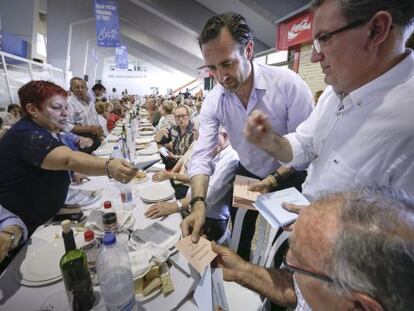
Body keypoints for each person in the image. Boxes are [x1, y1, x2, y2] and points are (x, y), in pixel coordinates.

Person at [244, 0, 414, 201]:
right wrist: (269, 141)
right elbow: (305, 144)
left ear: (376, 30)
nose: (315, 57)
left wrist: (329, 224)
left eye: (324, 38)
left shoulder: (406, 125)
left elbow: (399, 229)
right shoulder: (335, 92)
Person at [181, 12, 313, 257]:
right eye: (212, 68)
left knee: (288, 244)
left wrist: (274, 178)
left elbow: (307, 151)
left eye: (227, 63)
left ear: (249, 50)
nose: (221, 77)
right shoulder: (215, 99)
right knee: (240, 231)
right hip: (250, 171)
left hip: (290, 174)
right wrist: (198, 203)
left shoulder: (288, 85)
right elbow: (201, 156)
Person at [212, 189, 414, 311]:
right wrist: (241, 271)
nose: (287, 265)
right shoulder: (338, 295)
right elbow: (299, 293)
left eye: (296, 267)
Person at [0, 80, 137, 235]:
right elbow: (68, 159)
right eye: (57, 108)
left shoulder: (47, 129)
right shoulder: (27, 135)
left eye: (66, 107)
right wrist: (110, 166)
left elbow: (48, 164)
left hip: (47, 217)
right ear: (32, 109)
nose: (65, 113)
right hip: (24, 228)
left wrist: (72, 173)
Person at [146, 129, 239, 241]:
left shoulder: (232, 158)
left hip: (210, 221)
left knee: (167, 236)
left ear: (225, 137)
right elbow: (194, 175)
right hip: (193, 208)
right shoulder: (214, 150)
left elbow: (209, 194)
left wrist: (177, 205)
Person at [65, 77, 104, 153]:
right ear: (71, 89)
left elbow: (94, 118)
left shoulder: (90, 101)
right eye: (76, 87)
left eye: (83, 87)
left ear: (86, 88)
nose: (80, 89)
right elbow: (67, 126)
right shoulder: (70, 103)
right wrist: (90, 128)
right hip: (83, 140)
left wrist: (99, 130)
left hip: (96, 138)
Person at [155, 105, 195, 170]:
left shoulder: (194, 132)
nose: (180, 119)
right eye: (178, 116)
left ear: (188, 115)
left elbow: (193, 156)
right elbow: (159, 142)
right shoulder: (174, 129)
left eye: (183, 116)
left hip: (187, 167)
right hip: (172, 163)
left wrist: (174, 156)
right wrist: (159, 134)